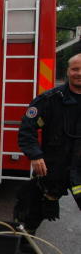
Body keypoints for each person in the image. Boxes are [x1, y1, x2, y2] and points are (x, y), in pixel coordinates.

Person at [13, 52, 81, 239]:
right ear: (67, 71)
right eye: (75, 69)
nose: (79, 73)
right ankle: (27, 237)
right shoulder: (50, 100)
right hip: (54, 166)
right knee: (38, 206)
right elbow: (28, 128)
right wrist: (34, 155)